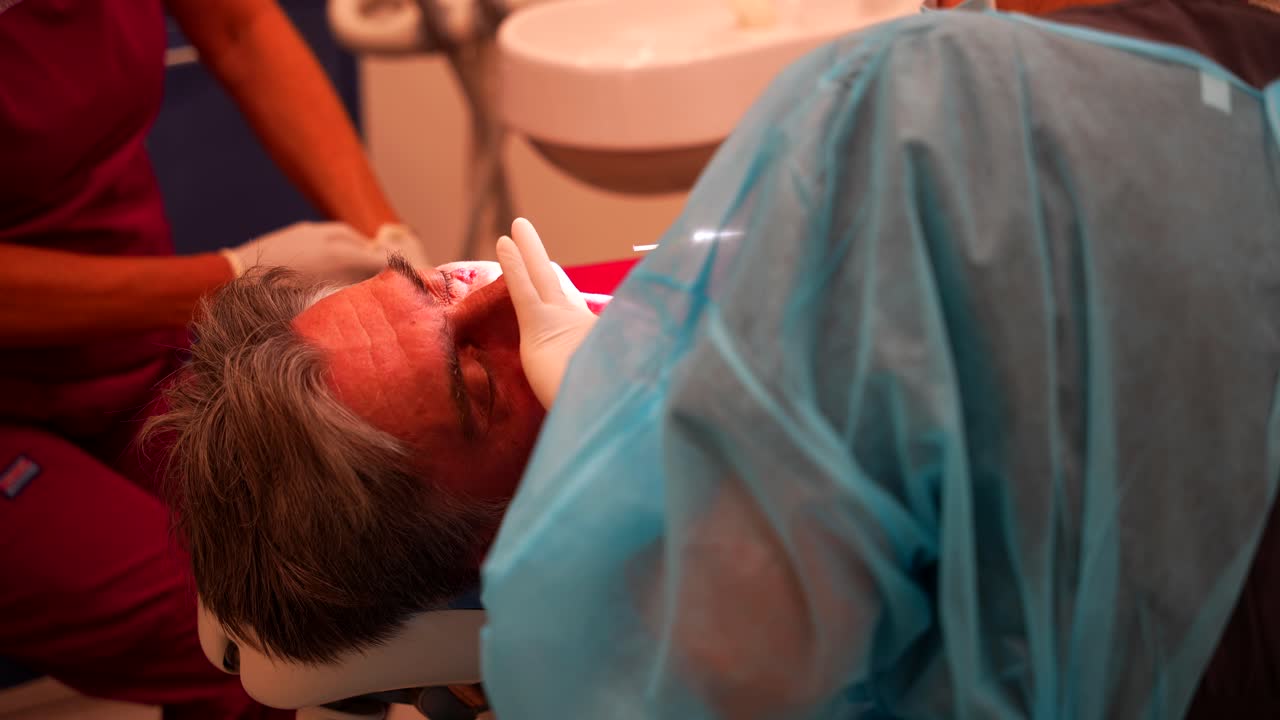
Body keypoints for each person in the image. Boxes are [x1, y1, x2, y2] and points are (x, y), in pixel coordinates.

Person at [481, 2, 1280, 720]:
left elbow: (726, 667)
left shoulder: (927, 103)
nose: (477, 295)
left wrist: (613, 432)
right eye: (474, 378)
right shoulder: (1244, 56)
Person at [0, 0, 428, 717]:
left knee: (334, 562)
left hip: (128, 353)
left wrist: (381, 231)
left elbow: (239, 26)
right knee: (240, 643)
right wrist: (225, 275)